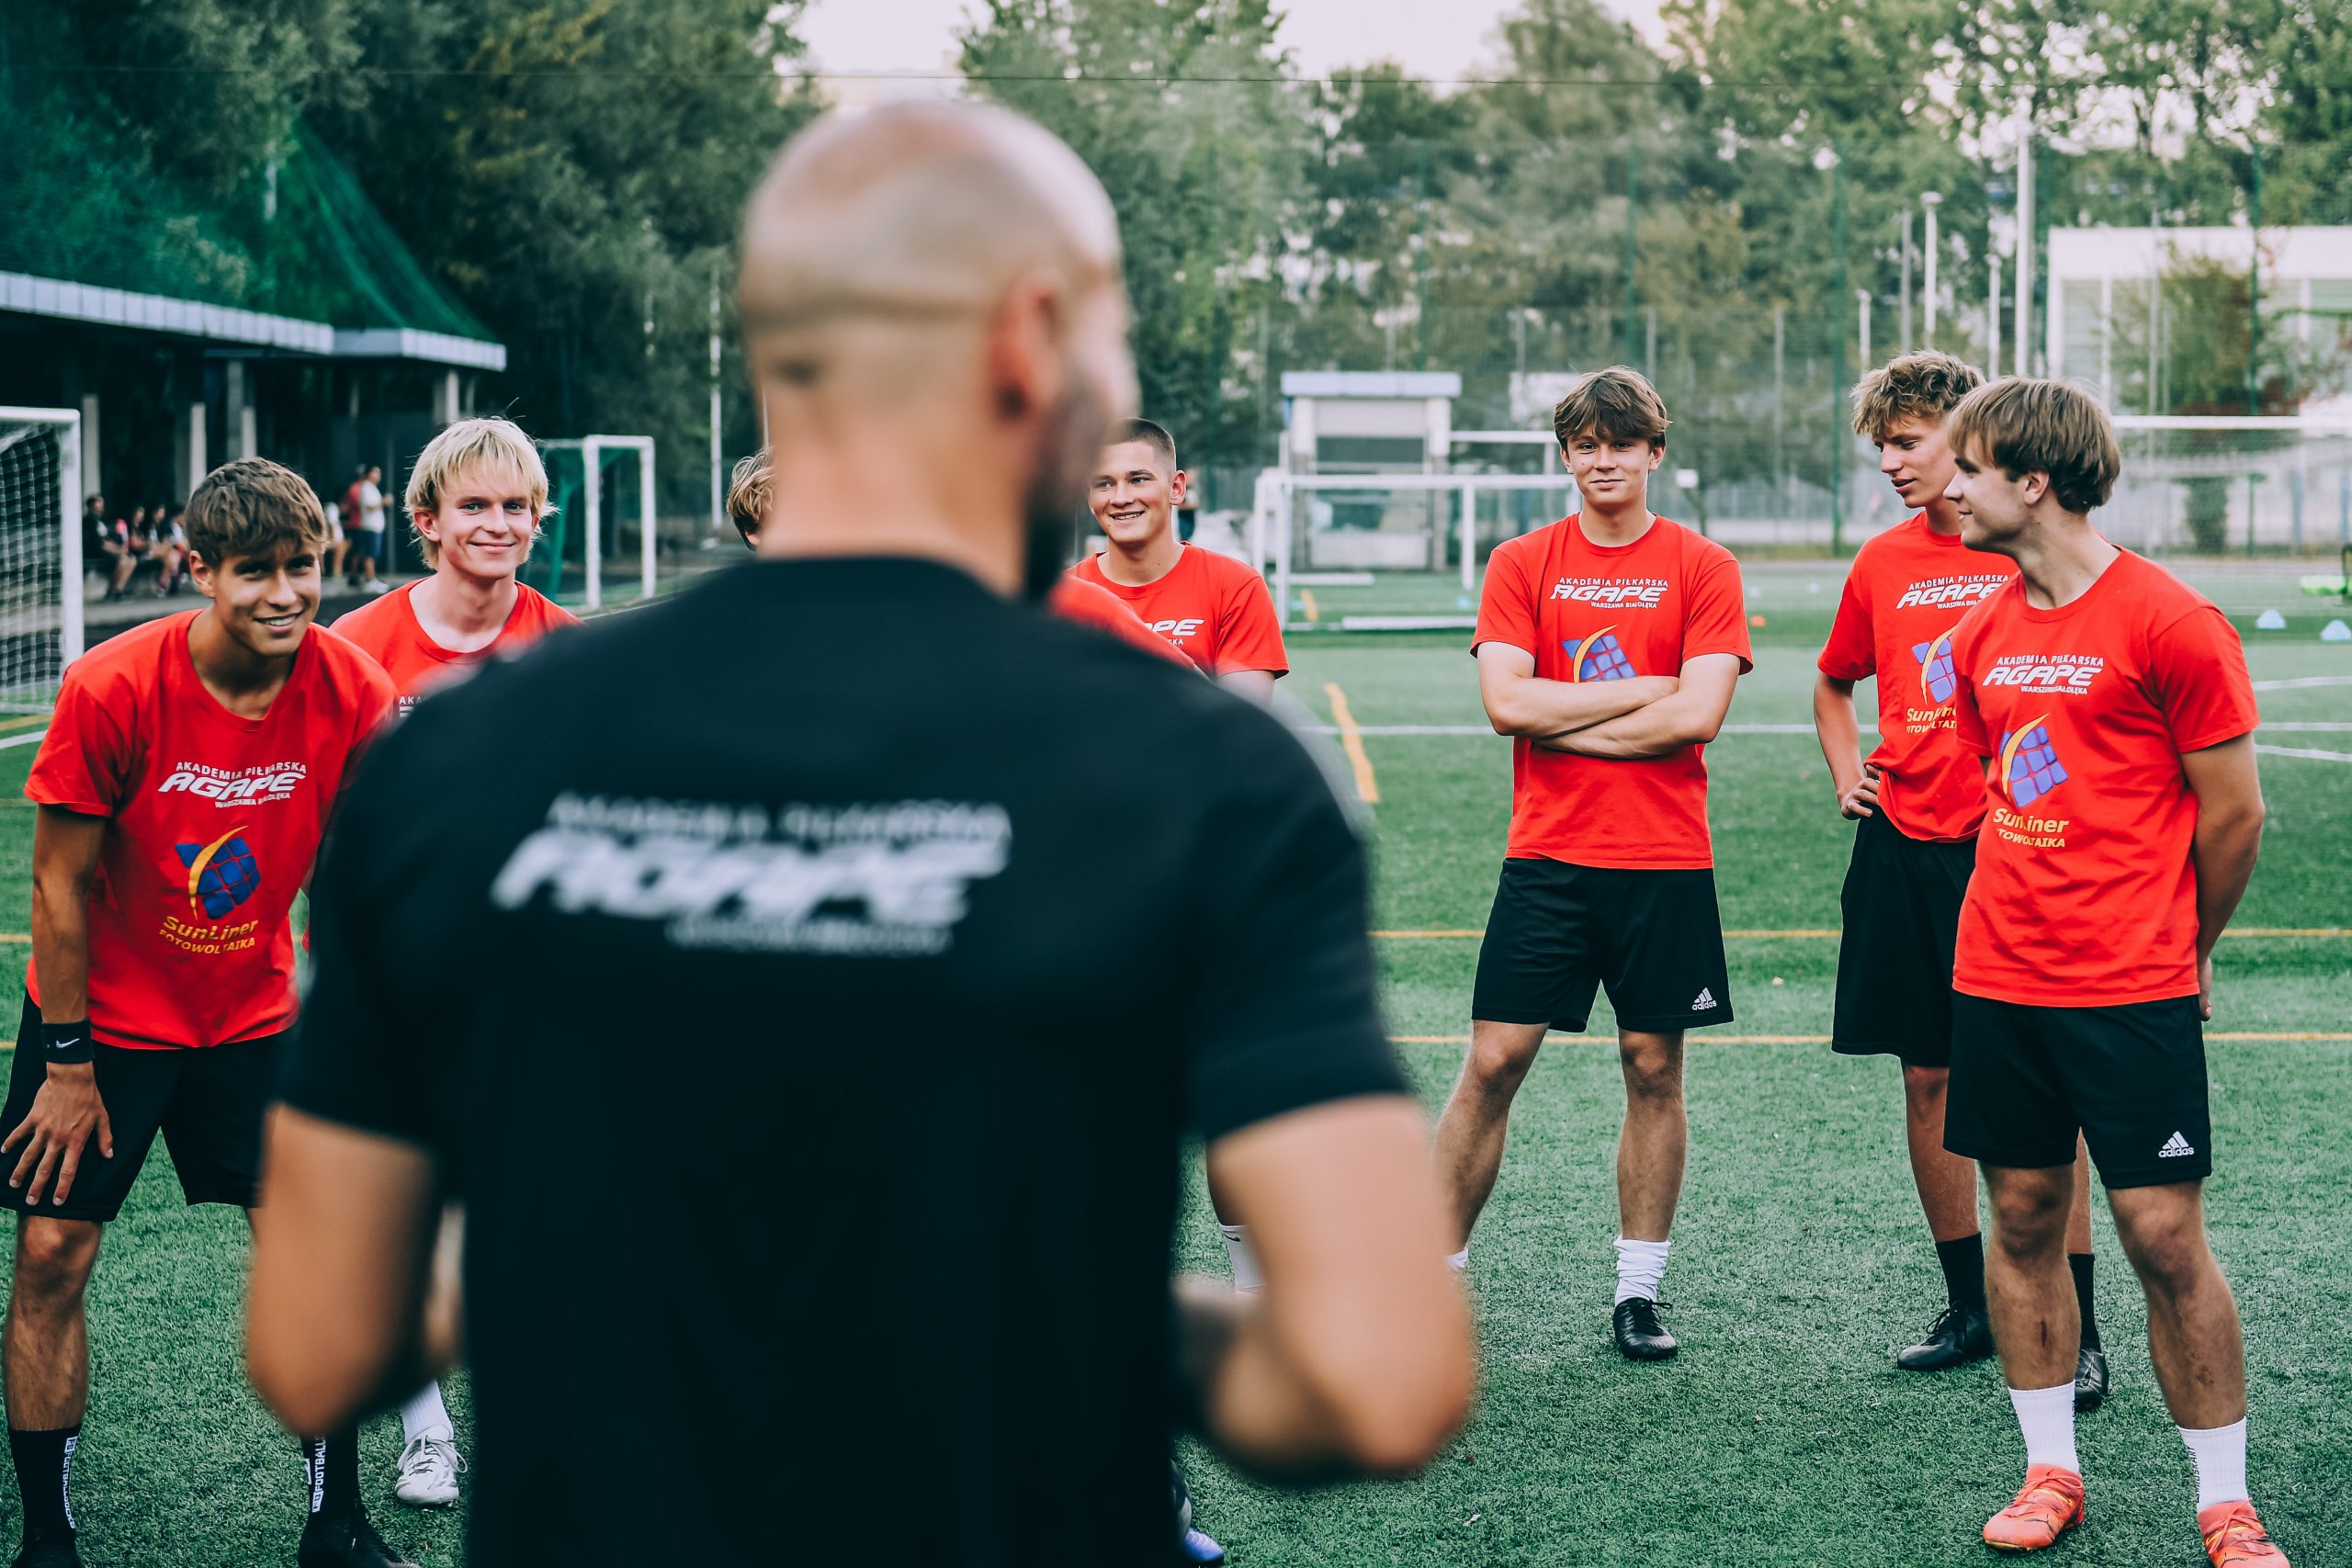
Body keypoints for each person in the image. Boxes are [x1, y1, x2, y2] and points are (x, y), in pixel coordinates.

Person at [247, 100, 1473, 1568]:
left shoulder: (451, 752)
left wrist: (624, 1272)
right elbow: (1375, 1373)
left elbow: (316, 1341)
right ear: (1032, 335)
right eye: (1118, 333)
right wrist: (1032, 1302)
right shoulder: (1210, 769)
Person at [3, 458, 405, 1568]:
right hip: (106, 1023)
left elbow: (353, 877)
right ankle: (47, 1543)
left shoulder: (353, 689)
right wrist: (68, 1066)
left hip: (255, 1017)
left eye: (302, 567)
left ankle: (337, 1524)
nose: (284, 593)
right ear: (200, 571)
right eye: (254, 571)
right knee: (50, 1254)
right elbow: (56, 885)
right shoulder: (113, 686)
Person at [1937, 380, 2285, 1565]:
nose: (1951, 489)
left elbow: (2233, 817)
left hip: (2129, 988)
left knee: (2162, 1238)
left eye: (1970, 469)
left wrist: (2185, 949)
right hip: (1997, 978)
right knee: (2023, 1216)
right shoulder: (1978, 632)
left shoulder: (2171, 622)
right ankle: (2050, 1473)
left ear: (2032, 481)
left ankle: (2225, 1504)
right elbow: (2000, 791)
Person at [1431, 366, 1750, 1361]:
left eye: (1621, 443)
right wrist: (1647, 692)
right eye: (1585, 445)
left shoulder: (1703, 565)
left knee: (1652, 1066)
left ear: (1655, 452)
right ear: (1567, 456)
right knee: (1492, 1062)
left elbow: (1698, 716)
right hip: (1548, 857)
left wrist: (1565, 715)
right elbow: (1505, 705)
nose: (1603, 460)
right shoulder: (1521, 561)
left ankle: (1637, 1293)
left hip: (1663, 859)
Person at [1813, 352, 2109, 1403]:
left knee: (2045, 1088)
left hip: (2014, 849)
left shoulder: (2029, 550)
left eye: (1908, 442)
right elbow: (1833, 681)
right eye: (1880, 446)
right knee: (1927, 1076)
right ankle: (1970, 1306)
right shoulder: (1880, 562)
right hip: (1904, 849)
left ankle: (2076, 1328)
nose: (1890, 463)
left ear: (1970, 438)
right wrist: (1849, 775)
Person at [334, 418, 580, 719]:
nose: (498, 526)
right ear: (429, 522)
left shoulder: (571, 648)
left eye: (514, 506)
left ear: (533, 521)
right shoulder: (354, 642)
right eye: (473, 506)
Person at [1068, 418, 1288, 701]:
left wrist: (1122, 627)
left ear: (1176, 488)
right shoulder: (1057, 596)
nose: (1120, 497)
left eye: (1138, 479)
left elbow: (1241, 719)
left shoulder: (1235, 586)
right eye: (1104, 484)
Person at [345, 465, 390, 594]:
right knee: (369, 554)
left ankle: (370, 579)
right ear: (368, 474)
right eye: (376, 472)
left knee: (371, 554)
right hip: (368, 526)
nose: (378, 476)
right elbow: (369, 506)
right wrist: (384, 501)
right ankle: (369, 580)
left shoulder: (371, 488)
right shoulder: (365, 487)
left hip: (373, 526)